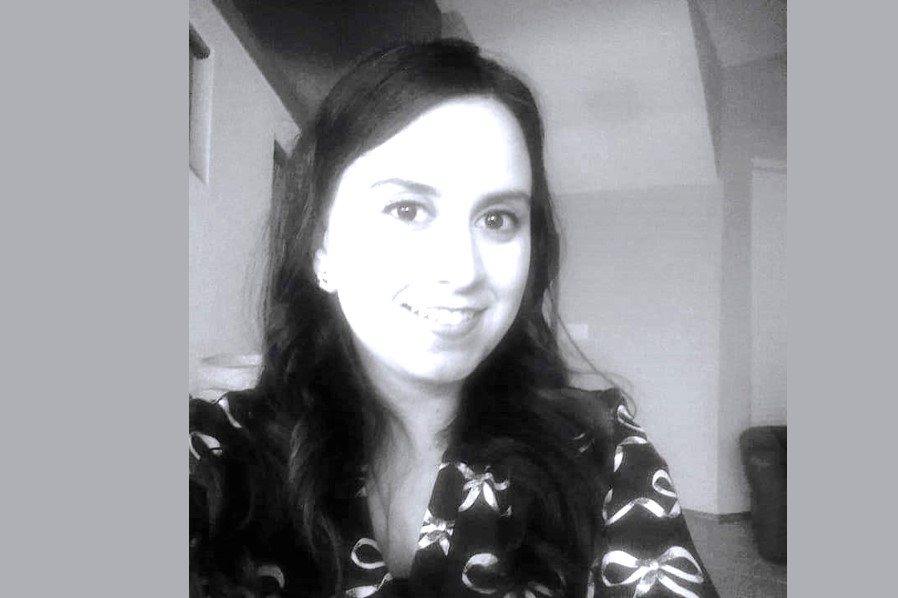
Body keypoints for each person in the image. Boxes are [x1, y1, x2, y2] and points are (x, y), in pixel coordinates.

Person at [189, 39, 720, 598]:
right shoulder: (217, 457)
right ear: (323, 250)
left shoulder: (602, 452)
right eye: (407, 209)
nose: (462, 270)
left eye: (498, 219)